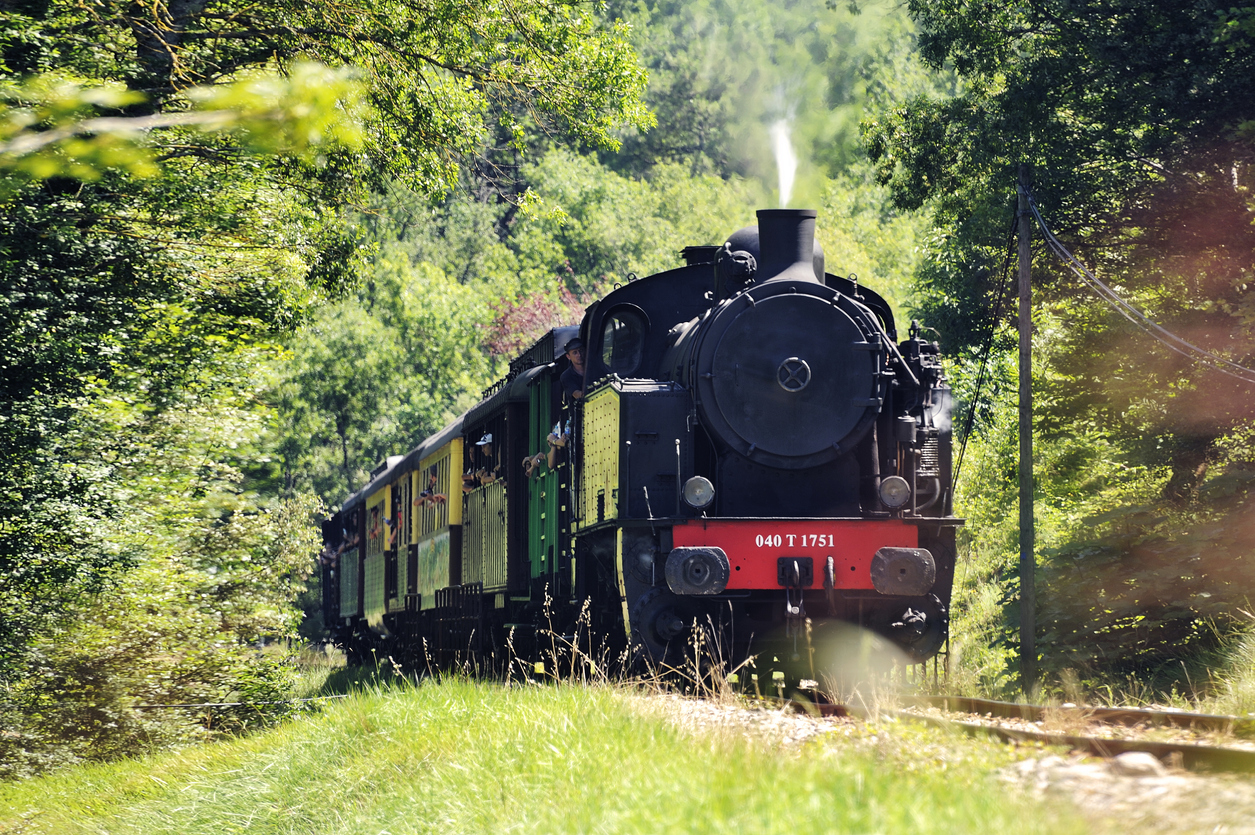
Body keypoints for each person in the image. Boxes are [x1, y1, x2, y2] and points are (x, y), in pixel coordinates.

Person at [560, 337, 587, 404]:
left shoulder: (596, 368)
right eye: (575, 353)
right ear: (568, 356)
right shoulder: (566, 376)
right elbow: (578, 395)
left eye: (581, 350)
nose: (579, 355)